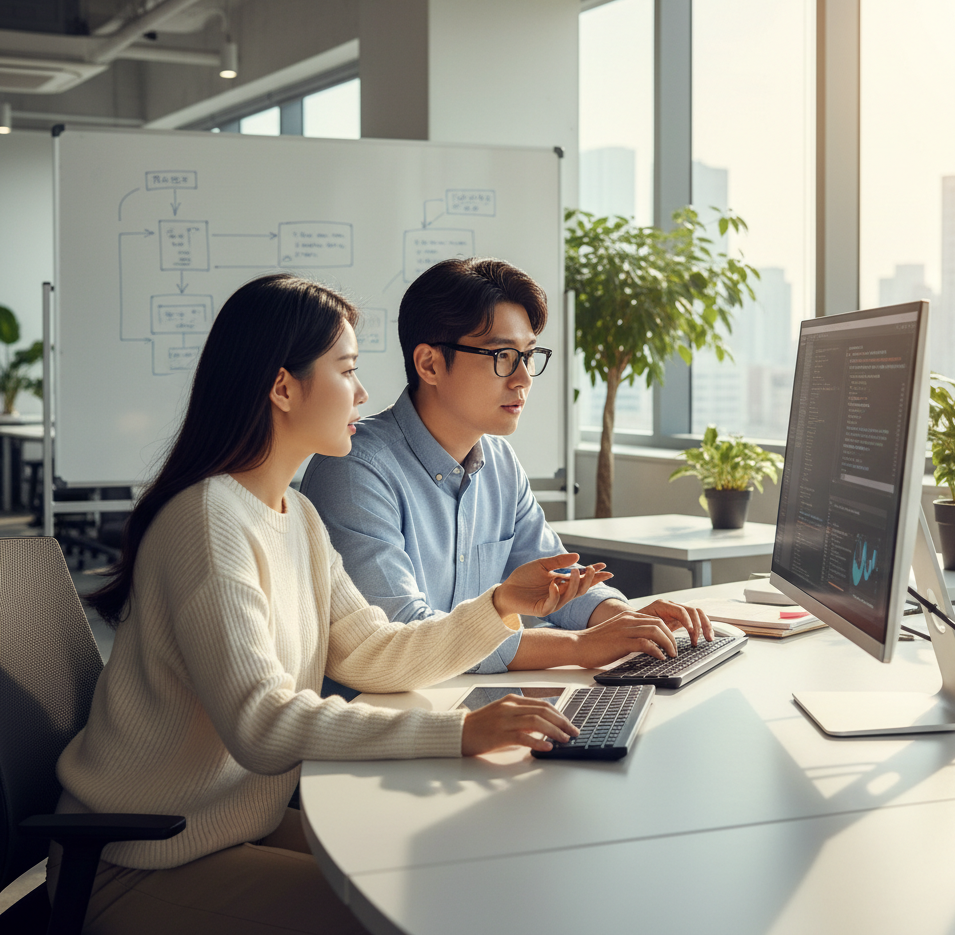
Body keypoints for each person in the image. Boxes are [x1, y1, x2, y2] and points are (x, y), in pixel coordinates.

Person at [53, 273, 609, 935]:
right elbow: (260, 723)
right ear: (283, 387)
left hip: (231, 829)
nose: (365, 392)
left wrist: (496, 606)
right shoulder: (208, 522)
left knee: (458, 873)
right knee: (411, 915)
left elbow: (375, 652)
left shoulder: (298, 517)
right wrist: (458, 732)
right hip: (140, 861)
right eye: (346, 370)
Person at [301, 258, 712, 676]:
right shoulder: (354, 470)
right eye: (502, 355)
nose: (523, 378)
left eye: (529, 356)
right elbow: (403, 633)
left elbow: (559, 576)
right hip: (389, 718)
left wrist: (624, 619)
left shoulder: (499, 462)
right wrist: (579, 647)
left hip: (470, 704)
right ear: (429, 364)